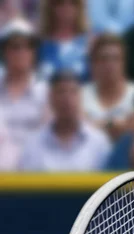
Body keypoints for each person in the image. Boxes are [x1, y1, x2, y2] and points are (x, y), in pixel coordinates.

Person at [20, 71, 111, 171]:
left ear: (81, 97)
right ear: (51, 97)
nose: (67, 98)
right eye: (61, 92)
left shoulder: (98, 143)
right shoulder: (33, 144)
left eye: (73, 92)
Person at [0, 19, 49, 148]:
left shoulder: (45, 91)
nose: (22, 52)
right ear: (5, 51)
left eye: (29, 46)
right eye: (16, 47)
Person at [82, 33, 134, 141]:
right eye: (104, 59)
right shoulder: (80, 95)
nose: (110, 64)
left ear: (124, 63)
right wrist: (115, 125)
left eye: (115, 59)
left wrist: (97, 125)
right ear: (93, 63)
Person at [38, 0, 91, 81]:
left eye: (72, 3)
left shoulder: (90, 44)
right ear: (50, 7)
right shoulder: (37, 45)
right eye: (60, 3)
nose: (66, 8)